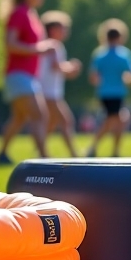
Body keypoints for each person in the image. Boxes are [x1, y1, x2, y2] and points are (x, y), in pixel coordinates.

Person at [0, 0, 57, 165]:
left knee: (19, 118)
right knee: (39, 114)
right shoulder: (20, 13)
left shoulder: (31, 14)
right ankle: (44, 158)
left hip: (26, 75)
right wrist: (39, 49)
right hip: (18, 74)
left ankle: (2, 153)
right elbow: (10, 43)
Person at [85, 19, 131, 157]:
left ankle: (111, 150)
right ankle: (95, 148)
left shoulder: (99, 54)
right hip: (118, 93)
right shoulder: (124, 54)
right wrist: (128, 79)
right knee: (112, 121)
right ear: (120, 37)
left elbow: (93, 77)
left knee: (117, 120)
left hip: (104, 93)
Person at [39, 10, 81, 157]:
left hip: (50, 91)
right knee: (66, 120)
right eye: (63, 28)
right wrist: (71, 66)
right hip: (48, 91)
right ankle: (74, 154)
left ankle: (41, 150)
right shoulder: (53, 45)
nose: (66, 31)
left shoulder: (51, 45)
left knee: (51, 123)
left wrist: (68, 69)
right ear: (53, 29)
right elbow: (55, 66)